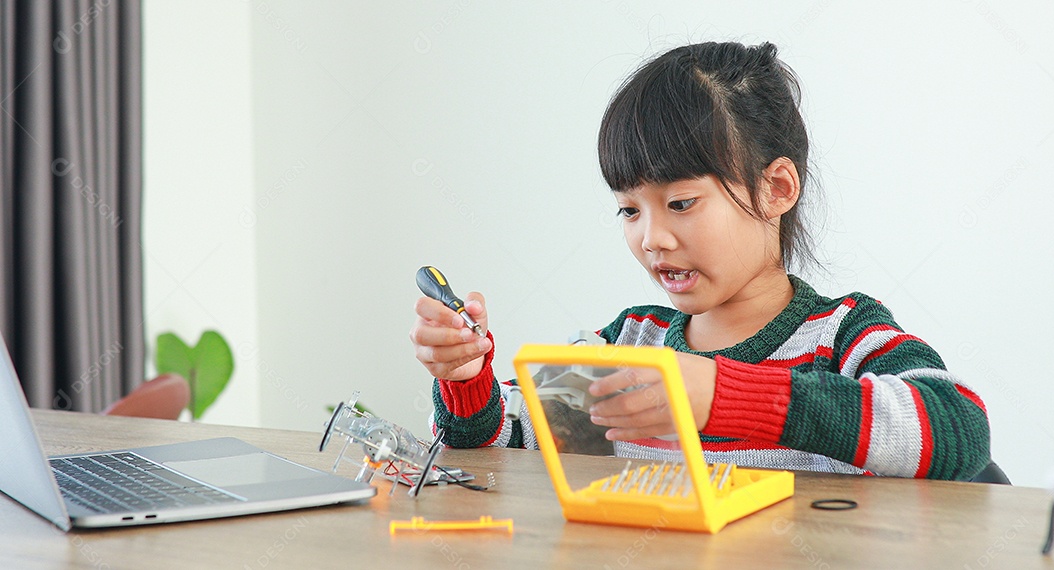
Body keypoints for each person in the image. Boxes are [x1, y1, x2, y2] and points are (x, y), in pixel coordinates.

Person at [409, 41, 990, 480]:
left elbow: (959, 428)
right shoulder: (631, 343)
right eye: (629, 211)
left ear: (776, 190)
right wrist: (465, 379)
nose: (652, 238)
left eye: (680, 203)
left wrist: (721, 395)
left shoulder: (840, 337)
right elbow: (495, 444)